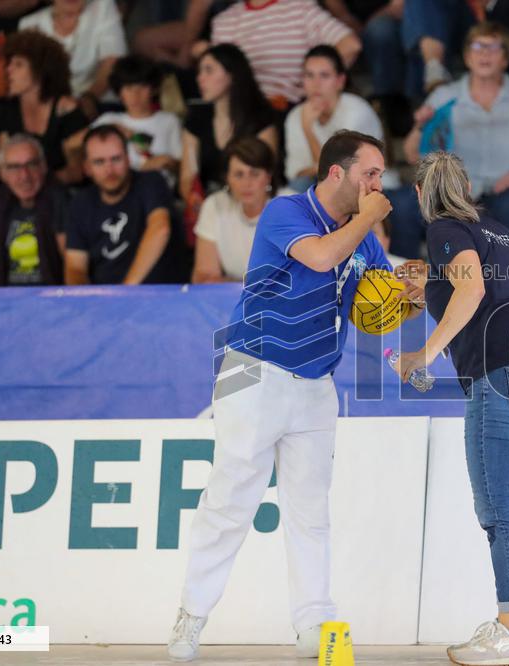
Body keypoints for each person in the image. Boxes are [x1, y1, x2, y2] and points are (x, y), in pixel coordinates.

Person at [167, 130, 422, 662]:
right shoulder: (287, 212)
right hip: (250, 369)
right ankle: (191, 616)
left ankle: (314, 624)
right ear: (337, 173)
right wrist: (370, 218)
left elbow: (375, 313)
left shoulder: (365, 237)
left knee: (310, 511)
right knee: (230, 500)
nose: (378, 185)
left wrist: (410, 297)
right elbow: (326, 257)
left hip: (315, 383)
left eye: (379, 175)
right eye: (369, 174)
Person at [392, 151, 509, 666]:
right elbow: (482, 289)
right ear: (467, 186)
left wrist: (422, 354)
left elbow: (473, 287)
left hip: (501, 374)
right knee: (505, 506)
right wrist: (428, 291)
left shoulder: (442, 228)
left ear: (421, 194)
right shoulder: (496, 227)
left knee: (498, 511)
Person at [394, 21, 509, 257]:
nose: (484, 54)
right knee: (401, 202)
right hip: (454, 195)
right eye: (478, 46)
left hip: (507, 190)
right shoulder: (444, 97)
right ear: (467, 56)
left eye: (493, 48)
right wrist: (421, 127)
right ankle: (404, 281)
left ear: (506, 58)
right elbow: (412, 155)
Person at [64, 125, 183, 284]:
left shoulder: (151, 182)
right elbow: (75, 268)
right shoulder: (80, 203)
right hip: (104, 302)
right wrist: (86, 303)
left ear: (128, 159)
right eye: (99, 162)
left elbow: (160, 229)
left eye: (116, 159)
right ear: (87, 168)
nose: (110, 169)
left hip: (158, 299)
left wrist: (125, 292)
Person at [207, 0, 361, 109]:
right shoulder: (222, 22)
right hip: (245, 114)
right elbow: (219, 81)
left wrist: (312, 85)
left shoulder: (300, 7)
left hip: (293, 107)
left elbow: (350, 45)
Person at [0, 29, 90, 185]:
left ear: (40, 71)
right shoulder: (2, 108)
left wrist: (34, 183)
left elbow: (77, 173)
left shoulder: (66, 110)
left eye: (18, 64)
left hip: (59, 195)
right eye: (9, 64)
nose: (8, 70)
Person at [180, 44, 277, 200]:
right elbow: (187, 177)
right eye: (199, 71)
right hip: (208, 206)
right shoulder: (196, 119)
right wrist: (193, 199)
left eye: (209, 70)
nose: (200, 78)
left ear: (232, 74)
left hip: (251, 202)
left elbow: (267, 175)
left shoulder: (260, 120)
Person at [0, 134, 69, 286]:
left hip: (50, 298)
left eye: (31, 165)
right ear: (3, 174)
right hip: (5, 299)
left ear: (43, 167)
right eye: (14, 167)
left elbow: (69, 260)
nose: (24, 176)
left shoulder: (59, 198)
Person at [284, 45, 383, 192]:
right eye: (309, 75)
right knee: (295, 190)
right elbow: (297, 174)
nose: (316, 84)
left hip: (371, 190)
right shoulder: (295, 116)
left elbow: (340, 176)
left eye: (324, 75)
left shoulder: (356, 111)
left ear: (340, 81)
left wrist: (308, 131)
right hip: (321, 190)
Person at [192, 137, 290, 282]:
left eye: (255, 174)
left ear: (269, 176)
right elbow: (204, 277)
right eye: (239, 174)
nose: (246, 183)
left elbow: (303, 278)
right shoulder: (214, 205)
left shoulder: (291, 206)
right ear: (227, 179)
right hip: (231, 300)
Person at [18, 0, 128, 117]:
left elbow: (112, 62)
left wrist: (89, 98)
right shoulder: (29, 25)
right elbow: (29, 80)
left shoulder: (102, 7)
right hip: (53, 109)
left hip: (100, 102)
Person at [92, 55, 183, 187]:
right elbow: (74, 145)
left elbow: (181, 168)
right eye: (128, 88)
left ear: (153, 89)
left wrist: (168, 163)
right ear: (120, 92)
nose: (135, 95)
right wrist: (108, 130)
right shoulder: (109, 119)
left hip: (159, 192)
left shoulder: (169, 121)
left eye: (142, 87)